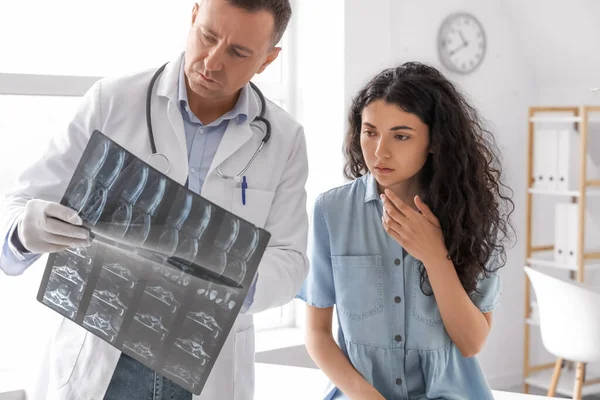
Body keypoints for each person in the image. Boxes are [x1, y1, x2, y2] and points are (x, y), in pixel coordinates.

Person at [0, 0, 309, 399]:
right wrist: (24, 231)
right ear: (194, 15)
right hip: (102, 362)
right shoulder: (112, 100)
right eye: (208, 37)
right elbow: (17, 205)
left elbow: (290, 258)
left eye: (237, 52)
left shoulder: (283, 139)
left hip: (204, 364)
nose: (212, 62)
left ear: (268, 60)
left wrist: (231, 287)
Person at [297, 62, 514, 400]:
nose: (380, 151)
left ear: (433, 141)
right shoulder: (332, 212)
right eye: (370, 132)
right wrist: (365, 395)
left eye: (400, 136)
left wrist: (434, 256)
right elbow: (316, 333)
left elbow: (472, 342)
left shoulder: (471, 214)